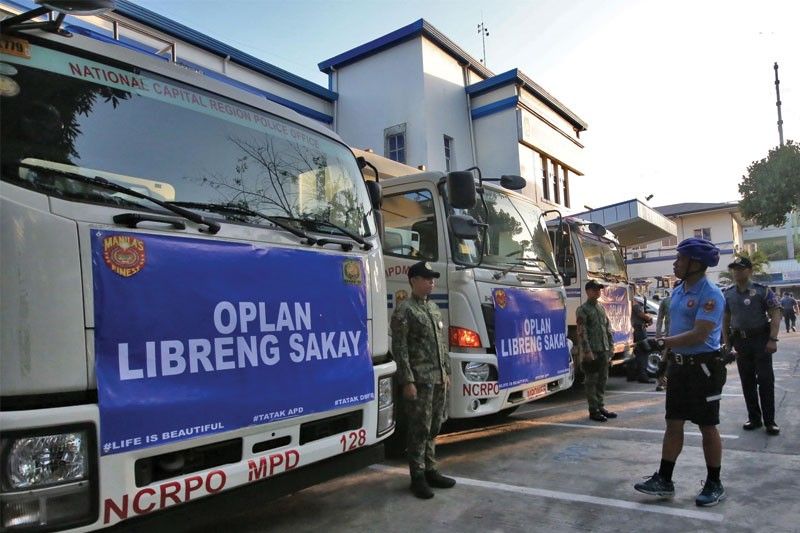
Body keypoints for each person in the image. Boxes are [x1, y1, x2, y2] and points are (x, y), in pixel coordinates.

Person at [633, 238, 727, 507]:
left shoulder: (710, 294)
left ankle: (714, 483)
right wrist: (665, 361)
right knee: (673, 423)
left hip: (704, 369)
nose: (675, 263)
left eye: (680, 259)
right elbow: (675, 331)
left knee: (708, 426)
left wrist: (661, 342)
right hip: (680, 368)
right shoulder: (678, 291)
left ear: (695, 264)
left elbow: (699, 334)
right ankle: (664, 479)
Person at [390, 261, 455, 499]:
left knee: (434, 426)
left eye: (433, 279)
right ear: (414, 280)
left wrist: (446, 372)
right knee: (419, 428)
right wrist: (407, 380)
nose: (432, 282)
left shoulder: (434, 309)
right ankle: (417, 476)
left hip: (437, 378)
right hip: (419, 380)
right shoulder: (404, 310)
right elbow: (400, 348)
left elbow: (441, 345)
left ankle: (431, 470)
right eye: (427, 278)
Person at [722, 256, 782, 435]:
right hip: (741, 342)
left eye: (740, 268)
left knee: (765, 381)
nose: (736, 272)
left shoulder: (762, 291)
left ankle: (770, 421)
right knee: (747, 381)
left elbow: (775, 313)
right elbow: (725, 319)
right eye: (734, 269)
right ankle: (754, 418)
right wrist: (727, 344)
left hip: (761, 340)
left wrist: (773, 339)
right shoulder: (728, 293)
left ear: (749, 271)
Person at [576, 280, 618, 422]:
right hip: (592, 351)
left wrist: (611, 346)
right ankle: (593, 410)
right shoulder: (583, 309)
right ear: (588, 291)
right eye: (594, 290)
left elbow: (607, 328)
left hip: (603, 349)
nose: (597, 292)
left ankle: (600, 406)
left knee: (602, 380)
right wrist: (587, 351)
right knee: (591, 381)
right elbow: (582, 332)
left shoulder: (600, 307)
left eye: (599, 290)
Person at [629, 290, 655, 383]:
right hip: (639, 330)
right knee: (644, 352)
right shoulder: (635, 303)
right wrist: (649, 318)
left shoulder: (630, 301)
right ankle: (642, 376)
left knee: (635, 353)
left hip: (635, 330)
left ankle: (631, 375)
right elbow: (641, 314)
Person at [654, 290, 672, 392]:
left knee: (666, 359)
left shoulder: (667, 301)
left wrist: (658, 333)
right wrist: (658, 333)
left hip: (676, 335)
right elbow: (660, 318)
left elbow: (660, 318)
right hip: (670, 335)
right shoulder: (666, 301)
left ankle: (663, 382)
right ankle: (661, 382)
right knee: (665, 358)